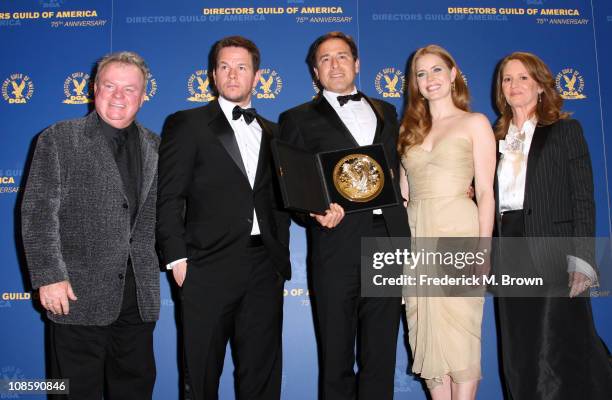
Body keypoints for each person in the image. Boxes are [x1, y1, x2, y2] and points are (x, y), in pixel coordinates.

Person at [156, 36, 290, 400]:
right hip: (206, 266)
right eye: (225, 67)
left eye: (242, 67)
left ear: (257, 76)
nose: (233, 74)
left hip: (264, 267)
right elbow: (168, 196)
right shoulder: (187, 124)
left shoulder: (275, 132)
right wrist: (177, 258)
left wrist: (280, 257)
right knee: (200, 376)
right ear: (214, 75)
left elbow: (283, 202)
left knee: (262, 376)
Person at [279, 31, 410, 400]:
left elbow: (402, 168)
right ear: (315, 71)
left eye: (341, 56)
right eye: (325, 59)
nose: (334, 64)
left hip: (387, 241)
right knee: (335, 356)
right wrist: (314, 214)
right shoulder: (296, 118)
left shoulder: (386, 111)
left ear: (357, 64)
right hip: (335, 245)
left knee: (381, 356)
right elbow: (292, 187)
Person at [21, 51, 160, 399]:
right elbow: (38, 212)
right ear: (94, 89)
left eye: (130, 89)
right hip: (75, 296)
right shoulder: (58, 139)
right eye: (110, 86)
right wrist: (49, 276)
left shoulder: (156, 146)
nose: (118, 96)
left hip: (138, 300)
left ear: (143, 96)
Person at [493, 51, 612, 400]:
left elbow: (583, 198)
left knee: (556, 345)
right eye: (507, 79)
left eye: (523, 78)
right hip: (508, 250)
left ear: (541, 85)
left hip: (552, 250)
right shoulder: (493, 135)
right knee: (518, 349)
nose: (514, 85)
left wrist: (584, 259)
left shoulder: (564, 129)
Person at [397, 44, 496, 400]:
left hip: (458, 232)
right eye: (421, 74)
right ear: (415, 83)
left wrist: (483, 251)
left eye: (437, 70)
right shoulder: (408, 132)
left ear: (453, 74)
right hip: (416, 237)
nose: (430, 79)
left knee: (460, 331)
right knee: (424, 329)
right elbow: (404, 194)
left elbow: (485, 192)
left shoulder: (475, 122)